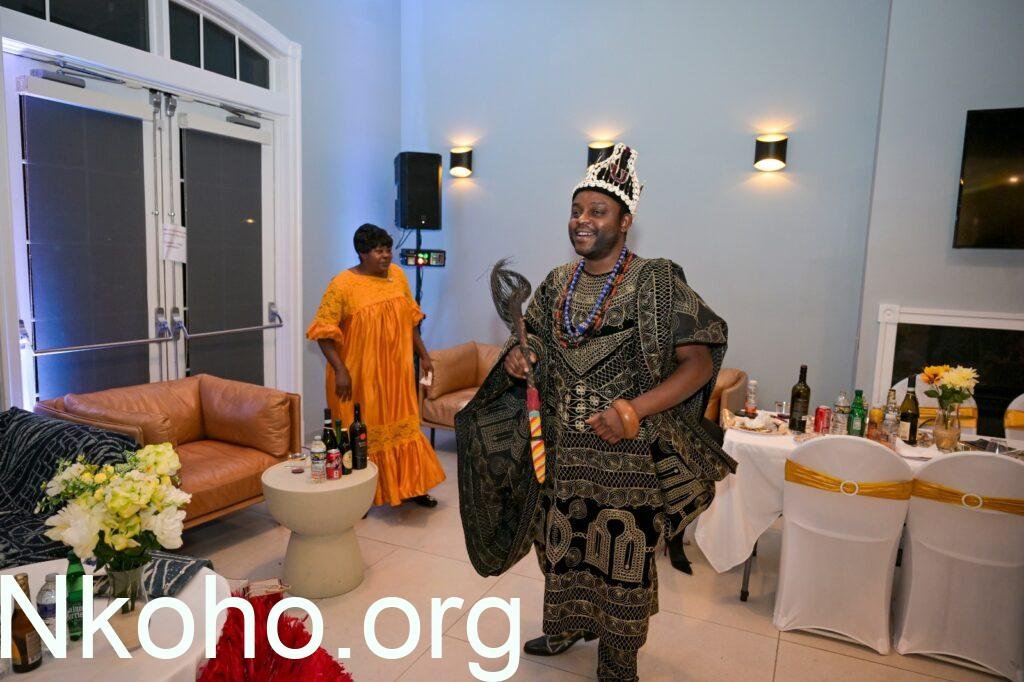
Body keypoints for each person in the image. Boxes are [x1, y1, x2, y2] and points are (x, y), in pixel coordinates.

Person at [455, 145, 735, 681]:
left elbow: (699, 363)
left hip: (627, 460)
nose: (582, 220)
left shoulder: (657, 281)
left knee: (622, 561)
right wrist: (518, 357)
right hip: (560, 454)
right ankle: (568, 626)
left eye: (597, 211)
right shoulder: (557, 282)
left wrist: (632, 411)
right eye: (576, 210)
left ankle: (618, 658)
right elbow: (533, 342)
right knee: (559, 547)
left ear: (625, 222)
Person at [307, 223, 445, 507]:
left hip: (396, 373)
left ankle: (412, 487)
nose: (386, 256)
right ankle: (361, 496)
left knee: (405, 428)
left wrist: (425, 356)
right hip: (359, 377)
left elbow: (410, 321)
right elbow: (323, 333)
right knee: (360, 433)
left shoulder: (397, 275)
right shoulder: (342, 285)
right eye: (379, 251)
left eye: (388, 250)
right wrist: (340, 370)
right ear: (362, 253)